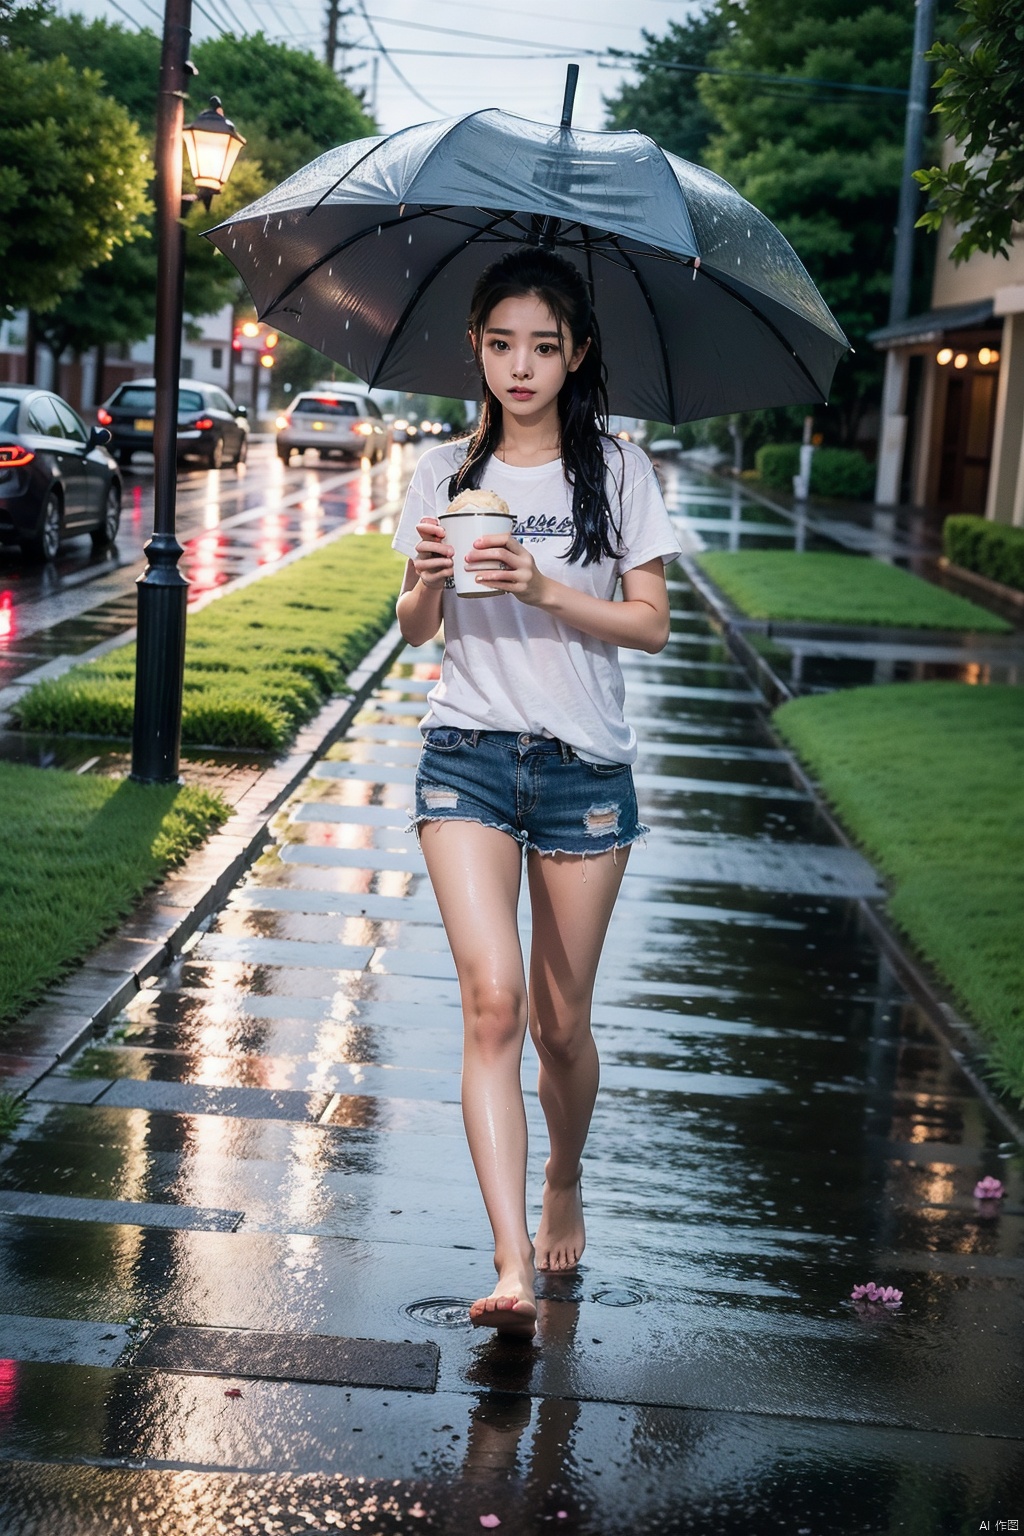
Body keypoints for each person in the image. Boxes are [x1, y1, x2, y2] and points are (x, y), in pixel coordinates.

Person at [392, 247, 680, 1339]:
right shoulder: (441, 472)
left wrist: (547, 588)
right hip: (465, 754)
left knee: (562, 1027)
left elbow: (649, 625)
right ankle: (510, 1263)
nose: (521, 366)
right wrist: (423, 578)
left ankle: (563, 1172)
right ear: (474, 346)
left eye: (544, 346)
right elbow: (417, 631)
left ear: (577, 356)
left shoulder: (617, 471)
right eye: (502, 342)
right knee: (493, 1005)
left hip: (582, 774)